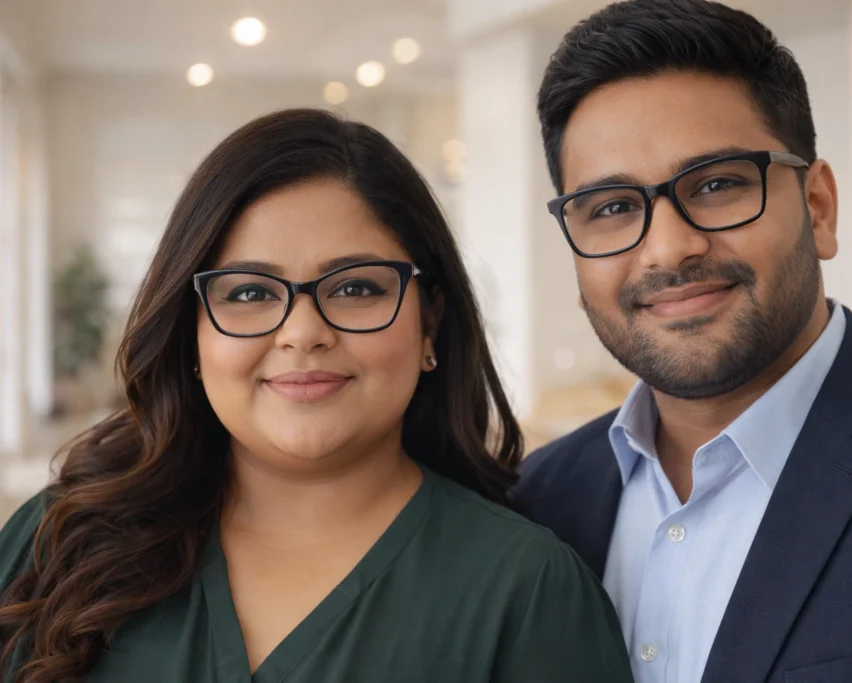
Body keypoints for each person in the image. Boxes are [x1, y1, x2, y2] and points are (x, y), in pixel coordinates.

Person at [0, 109, 632, 683]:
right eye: (249, 293)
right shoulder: (60, 541)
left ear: (429, 321)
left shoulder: (527, 590)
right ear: (190, 334)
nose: (303, 334)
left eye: (356, 288)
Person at [515, 1, 852, 681]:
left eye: (719, 183)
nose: (669, 248)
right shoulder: (535, 506)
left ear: (818, 207)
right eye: (612, 208)